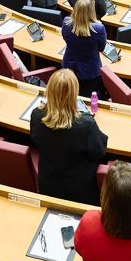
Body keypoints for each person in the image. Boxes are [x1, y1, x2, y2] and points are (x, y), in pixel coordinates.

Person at [28, 69, 108, 205]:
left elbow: (35, 140)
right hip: (80, 192)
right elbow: (100, 151)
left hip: (48, 186)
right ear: (74, 94)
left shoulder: (37, 115)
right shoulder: (85, 124)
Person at [61, 0, 108, 97]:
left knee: (70, 95)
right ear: (92, 11)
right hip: (90, 71)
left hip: (69, 67)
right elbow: (101, 48)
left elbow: (65, 38)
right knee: (87, 99)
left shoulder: (66, 22)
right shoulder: (99, 28)